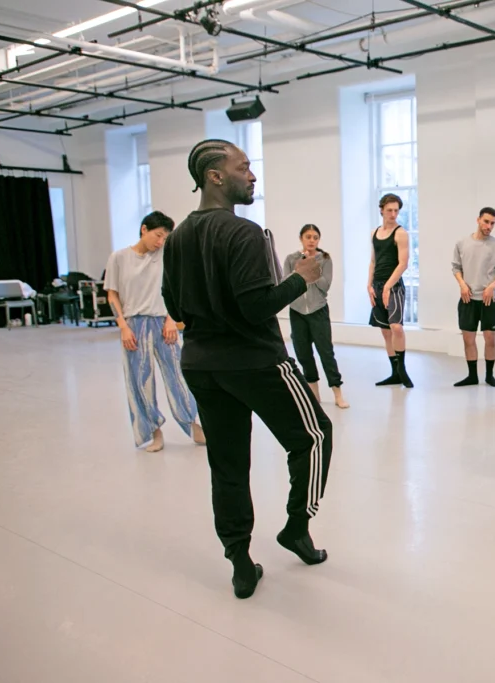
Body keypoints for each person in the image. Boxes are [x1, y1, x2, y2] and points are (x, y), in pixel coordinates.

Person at [163, 139, 333, 600]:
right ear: (215, 176)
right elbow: (258, 307)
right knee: (316, 436)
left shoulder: (176, 236)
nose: (252, 176)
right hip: (256, 363)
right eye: (245, 168)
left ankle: (240, 562)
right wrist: (303, 277)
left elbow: (174, 305)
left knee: (228, 465)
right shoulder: (246, 233)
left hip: (201, 365)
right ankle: (296, 527)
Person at [104, 210, 205, 452]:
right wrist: (123, 327)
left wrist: (172, 320)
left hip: (163, 323)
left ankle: (196, 427)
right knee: (140, 380)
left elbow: (176, 289)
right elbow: (112, 294)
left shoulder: (165, 256)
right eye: (157, 236)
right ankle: (153, 432)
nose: (160, 242)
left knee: (180, 377)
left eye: (164, 238)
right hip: (134, 325)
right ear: (144, 230)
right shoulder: (119, 258)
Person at [283, 224, 349, 409]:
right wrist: (300, 270)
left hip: (318, 310)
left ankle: (337, 393)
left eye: (315, 237)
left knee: (326, 351)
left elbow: (325, 285)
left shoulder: (325, 259)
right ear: (301, 238)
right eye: (308, 237)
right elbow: (285, 283)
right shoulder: (291, 259)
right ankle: (314, 393)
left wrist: (312, 272)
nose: (311, 240)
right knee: (303, 353)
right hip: (297, 311)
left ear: (318, 240)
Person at [452, 207, 495, 387]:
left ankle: (489, 375)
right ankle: (472, 376)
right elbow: (456, 268)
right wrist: (462, 284)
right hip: (468, 299)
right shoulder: (462, 243)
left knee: (490, 338)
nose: (489, 226)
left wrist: (492, 286)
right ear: (478, 220)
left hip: (489, 300)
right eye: (486, 222)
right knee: (468, 339)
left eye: (492, 223)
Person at [369, 193, 413, 388]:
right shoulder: (375, 232)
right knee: (386, 331)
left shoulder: (401, 233)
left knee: (396, 327)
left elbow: (403, 263)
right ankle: (394, 372)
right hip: (377, 285)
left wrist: (388, 286)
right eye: (390, 210)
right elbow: (373, 260)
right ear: (381, 210)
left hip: (393, 285)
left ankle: (402, 368)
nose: (393, 214)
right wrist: (369, 285)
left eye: (396, 210)